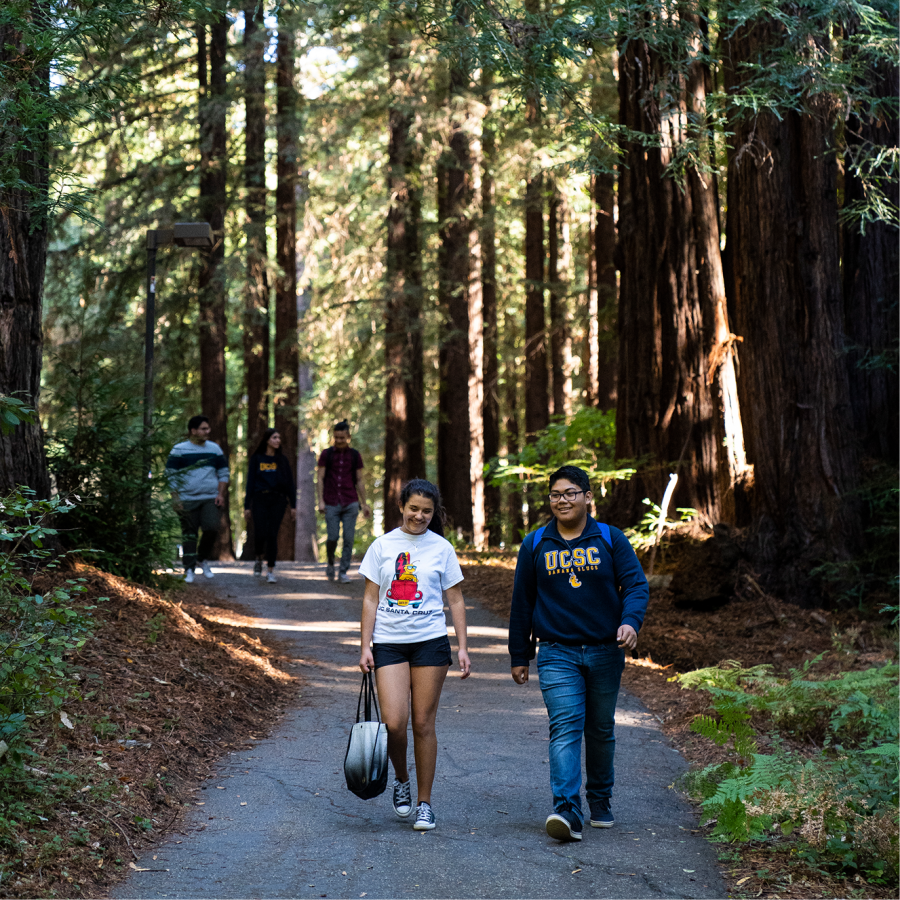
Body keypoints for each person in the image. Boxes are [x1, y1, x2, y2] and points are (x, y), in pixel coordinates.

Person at [508, 464, 649, 842]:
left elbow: (635, 585)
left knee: (600, 729)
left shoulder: (609, 538)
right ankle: (568, 810)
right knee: (565, 726)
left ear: (588, 496)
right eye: (556, 494)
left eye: (571, 493)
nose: (562, 500)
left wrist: (631, 622)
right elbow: (522, 601)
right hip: (557, 652)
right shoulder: (536, 543)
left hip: (606, 650)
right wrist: (519, 654)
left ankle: (600, 800)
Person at [358, 479, 470, 832]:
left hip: (430, 642)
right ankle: (401, 778)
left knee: (423, 723)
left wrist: (464, 646)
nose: (419, 516)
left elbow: (455, 599)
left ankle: (424, 803)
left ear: (434, 512)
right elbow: (370, 598)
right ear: (401, 506)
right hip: (389, 641)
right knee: (393, 723)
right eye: (414, 509)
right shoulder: (382, 546)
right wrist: (364, 646)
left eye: (427, 511)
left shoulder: (442, 548)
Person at [165, 415, 230, 583]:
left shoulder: (214, 449)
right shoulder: (179, 450)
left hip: (210, 497)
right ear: (193, 431)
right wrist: (175, 498)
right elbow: (171, 476)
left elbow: (223, 473)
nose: (207, 432)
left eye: (207, 428)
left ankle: (201, 558)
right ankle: (189, 569)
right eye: (203, 429)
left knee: (212, 527)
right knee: (189, 534)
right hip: (186, 498)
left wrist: (220, 494)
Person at [317, 419, 371, 583]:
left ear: (348, 436)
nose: (339, 441)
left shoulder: (355, 455)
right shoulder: (327, 454)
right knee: (332, 537)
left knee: (348, 538)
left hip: (350, 501)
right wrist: (320, 501)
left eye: (342, 437)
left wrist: (364, 503)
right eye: (336, 437)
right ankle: (331, 563)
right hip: (331, 501)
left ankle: (343, 571)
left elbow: (360, 480)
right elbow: (320, 478)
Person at [243, 428, 296, 584]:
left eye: (279, 438)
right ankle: (258, 557)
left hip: (278, 500)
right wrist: (247, 505)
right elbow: (250, 482)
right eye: (274, 438)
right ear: (267, 440)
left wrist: (293, 505)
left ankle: (271, 570)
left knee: (272, 534)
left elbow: (290, 484)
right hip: (260, 499)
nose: (278, 440)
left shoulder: (282, 460)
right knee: (260, 533)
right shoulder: (257, 459)